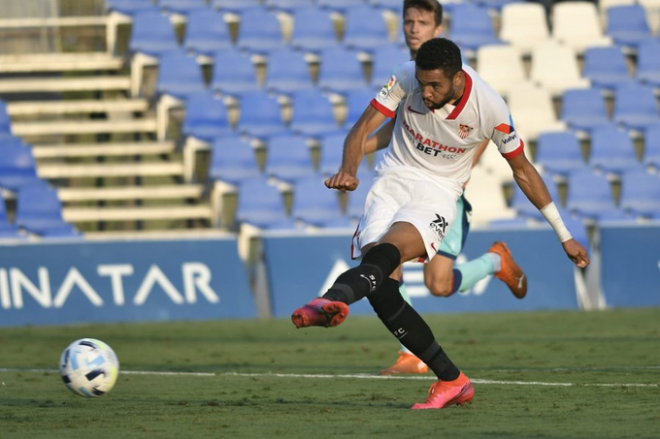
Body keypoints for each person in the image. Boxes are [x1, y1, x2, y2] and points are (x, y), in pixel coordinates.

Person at [291, 38, 590, 410]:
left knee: (391, 254)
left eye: (436, 86)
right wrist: (348, 170)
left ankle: (330, 301)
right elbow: (361, 128)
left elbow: (524, 172)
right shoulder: (405, 77)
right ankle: (453, 380)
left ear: (459, 79)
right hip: (391, 181)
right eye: (423, 83)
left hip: (437, 193)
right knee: (382, 288)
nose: (426, 93)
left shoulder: (491, 108)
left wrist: (565, 235)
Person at [371, 0, 528, 376]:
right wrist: (352, 148)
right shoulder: (407, 79)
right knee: (385, 258)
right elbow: (391, 133)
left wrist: (458, 174)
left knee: (439, 285)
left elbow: (483, 129)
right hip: (407, 183)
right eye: (408, 21)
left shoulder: (452, 76)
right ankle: (409, 351)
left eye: (422, 22)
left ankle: (496, 261)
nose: (413, 28)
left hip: (443, 191)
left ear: (437, 29)